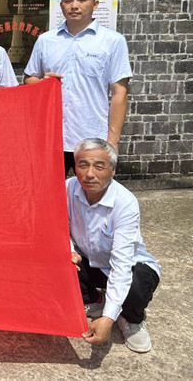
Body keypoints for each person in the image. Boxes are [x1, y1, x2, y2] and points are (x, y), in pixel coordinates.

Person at [24, 0, 132, 176]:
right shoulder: (46, 40)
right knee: (49, 189)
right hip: (51, 136)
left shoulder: (112, 41)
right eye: (68, 0)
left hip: (92, 135)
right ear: (61, 5)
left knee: (92, 188)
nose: (74, 5)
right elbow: (29, 78)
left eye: (82, 0)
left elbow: (120, 93)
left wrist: (112, 140)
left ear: (95, 4)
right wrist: (42, 83)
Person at [67, 138, 160, 353]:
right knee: (56, 260)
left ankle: (130, 318)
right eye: (83, 165)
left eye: (99, 166)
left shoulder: (125, 203)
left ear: (113, 171)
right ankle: (95, 301)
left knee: (135, 288)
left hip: (129, 265)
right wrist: (70, 250)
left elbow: (121, 263)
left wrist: (109, 318)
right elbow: (60, 227)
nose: (89, 174)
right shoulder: (68, 188)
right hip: (89, 260)